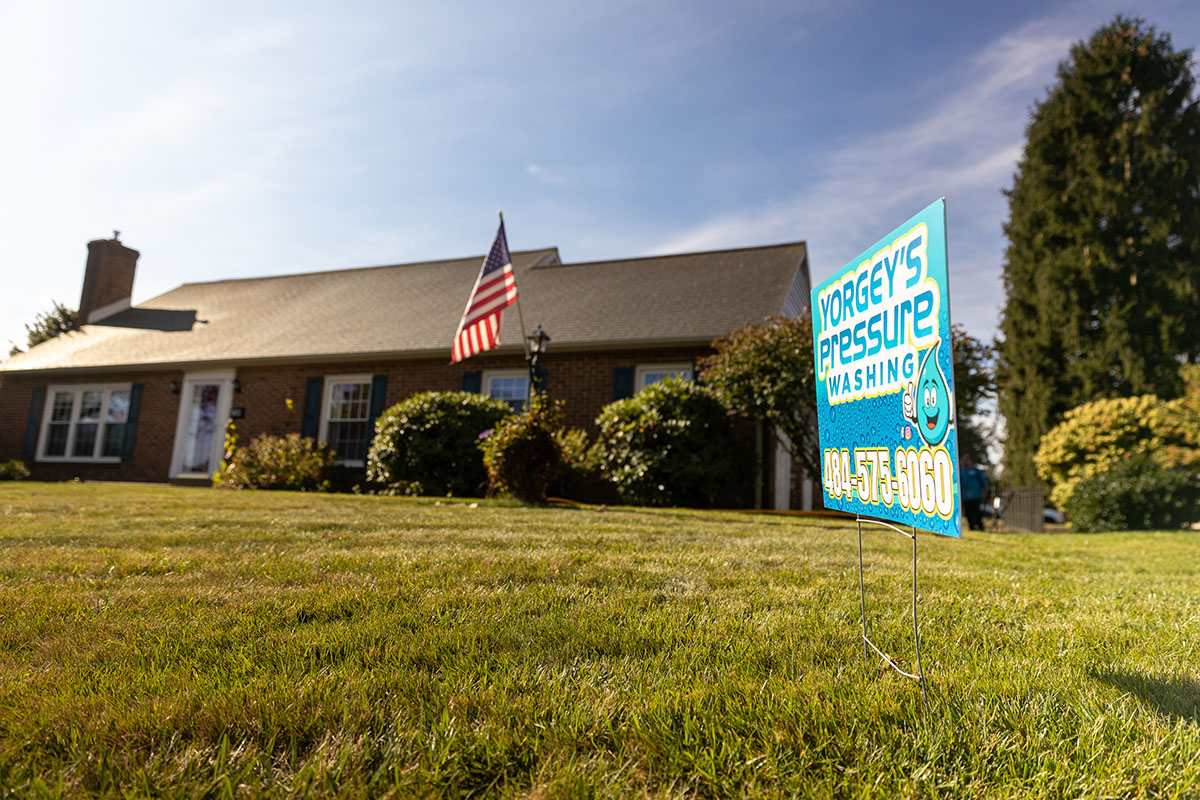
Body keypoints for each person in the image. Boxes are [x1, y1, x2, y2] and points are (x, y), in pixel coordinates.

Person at [960, 455, 988, 531]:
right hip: (965, 496)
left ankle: (980, 526)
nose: (966, 461)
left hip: (976, 496)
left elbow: (984, 481)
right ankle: (971, 527)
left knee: (976, 512)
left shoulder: (976, 471)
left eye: (967, 460)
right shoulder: (961, 471)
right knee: (968, 512)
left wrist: (985, 490)